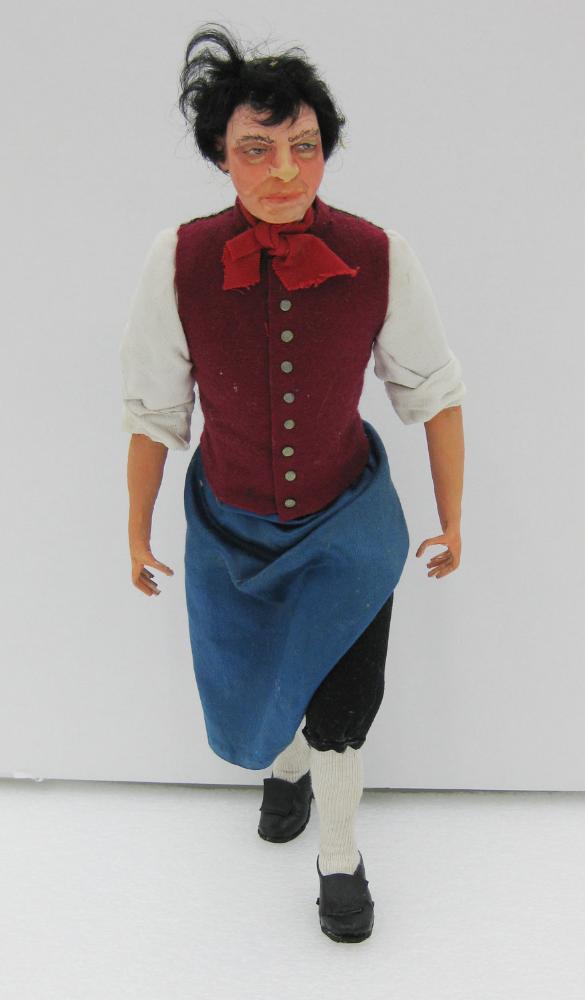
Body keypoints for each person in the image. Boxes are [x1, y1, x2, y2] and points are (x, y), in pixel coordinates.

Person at [120, 23, 466, 943]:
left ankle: (339, 858)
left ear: (326, 149)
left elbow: (433, 393)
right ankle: (283, 769)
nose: (283, 170)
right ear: (219, 156)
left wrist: (451, 517)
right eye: (256, 149)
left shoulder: (379, 254)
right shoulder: (178, 260)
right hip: (229, 530)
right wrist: (135, 527)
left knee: (343, 711)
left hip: (349, 530)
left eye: (304, 146)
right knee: (263, 680)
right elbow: (153, 409)